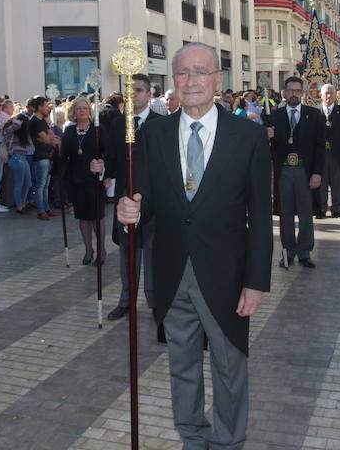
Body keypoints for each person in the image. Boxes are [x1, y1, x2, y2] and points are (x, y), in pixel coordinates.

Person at [116, 43, 272, 448]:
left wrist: (255, 282)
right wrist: (131, 209)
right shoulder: (154, 132)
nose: (191, 81)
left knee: (229, 365)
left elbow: (259, 214)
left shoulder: (248, 136)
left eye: (200, 72)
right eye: (183, 73)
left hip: (226, 276)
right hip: (170, 272)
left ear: (217, 80)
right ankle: (192, 435)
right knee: (181, 363)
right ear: (174, 81)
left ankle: (227, 442)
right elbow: (145, 196)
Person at [99, 74, 161, 319]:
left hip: (153, 200)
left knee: (153, 251)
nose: (133, 94)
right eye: (129, 90)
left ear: (149, 94)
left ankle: (155, 301)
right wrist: (102, 168)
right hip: (125, 198)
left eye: (138, 89)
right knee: (128, 252)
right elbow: (112, 160)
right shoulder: (118, 124)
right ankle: (127, 300)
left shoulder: (161, 123)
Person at [267, 76, 324, 268]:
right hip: (284, 170)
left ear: (302, 93)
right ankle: (288, 251)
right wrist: (265, 136)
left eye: (297, 91)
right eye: (290, 90)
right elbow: (266, 148)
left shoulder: (314, 115)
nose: (293, 94)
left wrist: (317, 173)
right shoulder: (274, 116)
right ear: (284, 93)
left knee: (306, 212)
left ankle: (305, 251)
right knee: (286, 212)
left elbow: (319, 147)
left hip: (304, 170)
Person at [63, 98, 108, 264]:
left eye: (85, 108)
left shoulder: (98, 130)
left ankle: (101, 249)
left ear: (90, 111)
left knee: (97, 216)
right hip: (77, 179)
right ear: (74, 111)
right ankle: (88, 249)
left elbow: (108, 153)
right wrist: (55, 148)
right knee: (83, 217)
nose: (82, 111)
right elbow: (64, 156)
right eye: (78, 108)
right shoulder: (69, 131)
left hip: (95, 180)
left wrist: (106, 171)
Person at [316, 83, 340, 219]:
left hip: (337, 153)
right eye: (326, 93)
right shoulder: (315, 111)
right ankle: (321, 208)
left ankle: (336, 208)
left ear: (335, 94)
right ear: (321, 95)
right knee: (321, 181)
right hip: (320, 154)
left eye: (331, 93)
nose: (329, 96)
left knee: (337, 182)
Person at [28, 97, 60, 220]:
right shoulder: (35, 121)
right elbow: (47, 139)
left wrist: (49, 137)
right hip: (40, 156)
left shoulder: (42, 121)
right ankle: (41, 210)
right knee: (40, 185)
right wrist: (48, 138)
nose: (48, 108)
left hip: (47, 155)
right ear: (40, 107)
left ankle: (46, 208)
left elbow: (51, 135)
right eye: (46, 106)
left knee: (45, 185)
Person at [2, 113, 33, 213]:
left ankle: (22, 203)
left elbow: (30, 146)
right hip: (16, 157)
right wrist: (18, 120)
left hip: (23, 158)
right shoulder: (11, 131)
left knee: (27, 183)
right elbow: (12, 127)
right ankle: (19, 206)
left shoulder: (23, 134)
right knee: (19, 184)